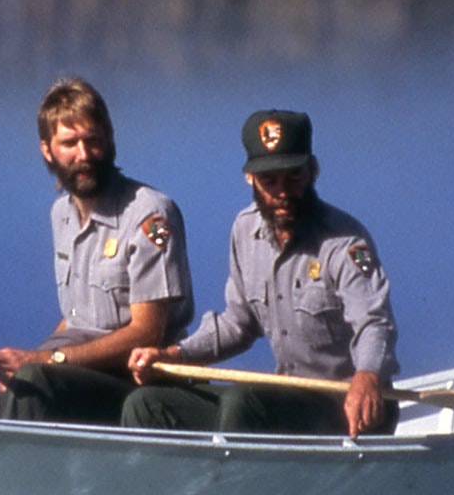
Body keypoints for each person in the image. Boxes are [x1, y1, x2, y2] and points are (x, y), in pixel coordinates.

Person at [0, 77, 193, 424]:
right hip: (67, 380)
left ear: (111, 140)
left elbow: (147, 332)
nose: (84, 155)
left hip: (135, 386)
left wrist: (43, 362)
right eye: (69, 143)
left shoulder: (149, 214)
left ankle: (26, 471)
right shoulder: (61, 214)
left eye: (93, 141)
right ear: (47, 150)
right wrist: (23, 361)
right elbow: (77, 318)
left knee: (35, 380)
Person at [122, 109, 398, 438]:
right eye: (269, 180)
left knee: (243, 403)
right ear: (249, 178)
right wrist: (172, 354)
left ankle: (230, 486)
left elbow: (374, 323)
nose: (282, 192)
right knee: (147, 403)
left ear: (313, 170)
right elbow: (238, 324)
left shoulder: (345, 242)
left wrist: (367, 377)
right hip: (284, 401)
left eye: (293, 176)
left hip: (346, 407)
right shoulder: (245, 229)